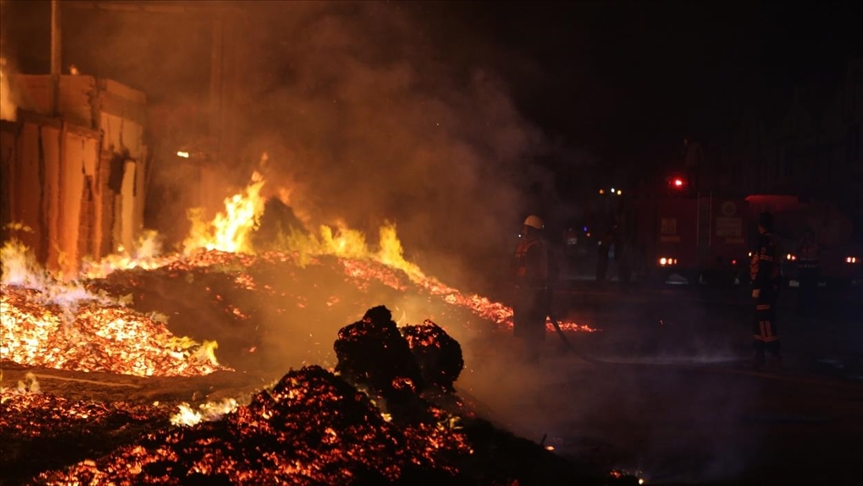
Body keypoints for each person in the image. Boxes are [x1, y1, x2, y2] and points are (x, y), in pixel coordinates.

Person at [512, 215, 553, 362]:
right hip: (526, 292)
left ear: (532, 230)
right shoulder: (526, 245)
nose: (523, 231)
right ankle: (528, 355)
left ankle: (532, 357)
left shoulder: (535, 247)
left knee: (532, 325)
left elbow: (532, 272)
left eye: (526, 228)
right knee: (525, 325)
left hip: (534, 293)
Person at [749, 211, 782, 370]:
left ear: (759, 225)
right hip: (767, 285)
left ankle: (773, 355)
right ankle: (759, 352)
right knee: (758, 320)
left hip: (766, 287)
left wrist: (758, 286)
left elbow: (764, 266)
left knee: (765, 320)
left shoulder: (766, 241)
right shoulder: (771, 240)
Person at [796, 228, 821, 316]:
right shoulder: (802, 244)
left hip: (812, 271)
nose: (807, 236)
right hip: (803, 270)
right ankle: (801, 310)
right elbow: (797, 252)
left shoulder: (815, 244)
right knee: (802, 291)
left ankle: (811, 310)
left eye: (808, 234)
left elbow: (815, 254)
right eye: (805, 234)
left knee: (811, 291)